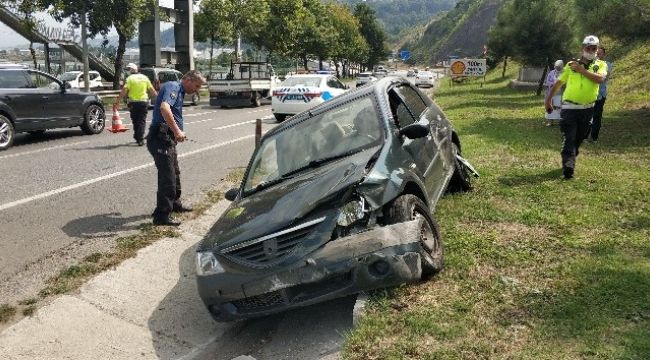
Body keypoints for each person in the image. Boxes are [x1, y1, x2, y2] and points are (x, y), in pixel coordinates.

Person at [147, 70, 206, 226]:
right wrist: (177, 130)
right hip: (160, 138)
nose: (197, 89)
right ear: (188, 80)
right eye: (197, 85)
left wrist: (176, 133)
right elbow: (164, 108)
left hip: (167, 138)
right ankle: (161, 216)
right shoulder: (173, 86)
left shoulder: (179, 91)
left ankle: (174, 204)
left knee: (175, 173)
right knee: (168, 178)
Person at [545, 35, 607, 180]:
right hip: (569, 109)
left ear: (597, 49)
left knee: (580, 137)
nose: (591, 50)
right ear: (582, 48)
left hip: (588, 109)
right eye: (588, 48)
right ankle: (568, 167)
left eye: (594, 48)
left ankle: (570, 155)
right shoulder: (570, 65)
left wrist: (581, 70)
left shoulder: (600, 65)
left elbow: (600, 79)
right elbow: (558, 84)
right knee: (570, 137)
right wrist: (548, 101)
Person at [114, 63, 157, 146]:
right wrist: (155, 99)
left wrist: (117, 101)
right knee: (141, 120)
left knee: (135, 120)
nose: (128, 71)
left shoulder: (130, 78)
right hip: (144, 102)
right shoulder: (145, 78)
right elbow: (153, 91)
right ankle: (139, 137)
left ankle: (139, 137)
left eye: (129, 69)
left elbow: (124, 90)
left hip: (133, 103)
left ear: (132, 70)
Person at [590, 46, 612, 142]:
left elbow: (604, 78)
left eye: (600, 53)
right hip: (588, 94)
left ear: (604, 54)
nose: (598, 55)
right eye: (596, 53)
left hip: (600, 94)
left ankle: (594, 137)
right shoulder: (590, 64)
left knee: (597, 115)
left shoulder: (607, 65)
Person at [544, 59, 564, 126]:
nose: (557, 68)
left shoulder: (564, 73)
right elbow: (548, 82)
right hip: (551, 93)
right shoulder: (551, 73)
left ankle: (560, 121)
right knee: (550, 106)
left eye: (559, 67)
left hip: (560, 93)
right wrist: (552, 84)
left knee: (559, 107)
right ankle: (550, 121)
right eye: (556, 66)